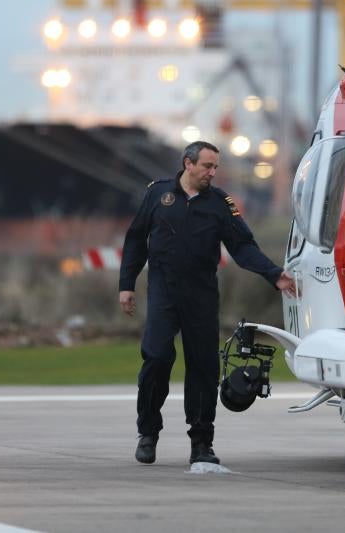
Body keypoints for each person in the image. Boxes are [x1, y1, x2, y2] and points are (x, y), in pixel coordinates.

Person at [119, 141, 296, 465]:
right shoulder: (158, 195)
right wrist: (126, 285)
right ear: (188, 164)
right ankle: (148, 431)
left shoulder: (219, 204)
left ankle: (201, 442)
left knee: (203, 367)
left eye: (216, 167)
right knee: (157, 357)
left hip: (201, 293)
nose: (213, 172)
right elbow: (135, 238)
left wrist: (274, 275)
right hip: (163, 290)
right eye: (207, 166)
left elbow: (243, 247)